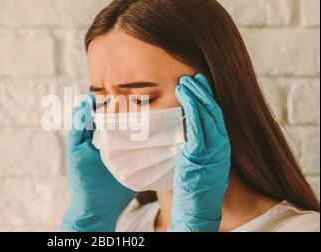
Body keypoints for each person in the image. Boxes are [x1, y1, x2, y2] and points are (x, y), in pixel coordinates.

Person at [61, 0, 320, 232]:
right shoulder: (125, 226)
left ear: (213, 98)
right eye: (102, 99)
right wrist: (89, 224)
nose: (113, 120)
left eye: (141, 98)